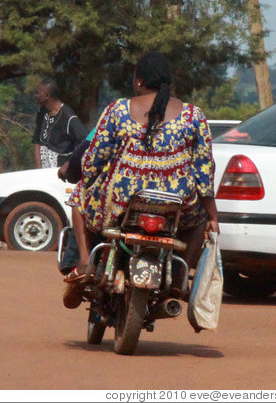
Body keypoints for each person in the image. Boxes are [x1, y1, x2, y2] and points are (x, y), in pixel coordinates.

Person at [63, 52, 220, 308]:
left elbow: (94, 159)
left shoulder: (117, 110)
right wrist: (212, 214)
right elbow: (204, 172)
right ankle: (181, 278)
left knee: (79, 195)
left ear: (139, 81)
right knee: (201, 219)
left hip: (121, 203)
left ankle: (84, 262)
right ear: (168, 81)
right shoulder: (194, 116)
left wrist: (89, 178)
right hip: (174, 206)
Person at [32, 79, 88, 171]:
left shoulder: (69, 117)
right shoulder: (42, 112)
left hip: (60, 173)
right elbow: (38, 142)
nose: (35, 95)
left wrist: (70, 164)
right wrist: (39, 172)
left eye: (37, 93)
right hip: (43, 173)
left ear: (46, 95)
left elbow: (85, 142)